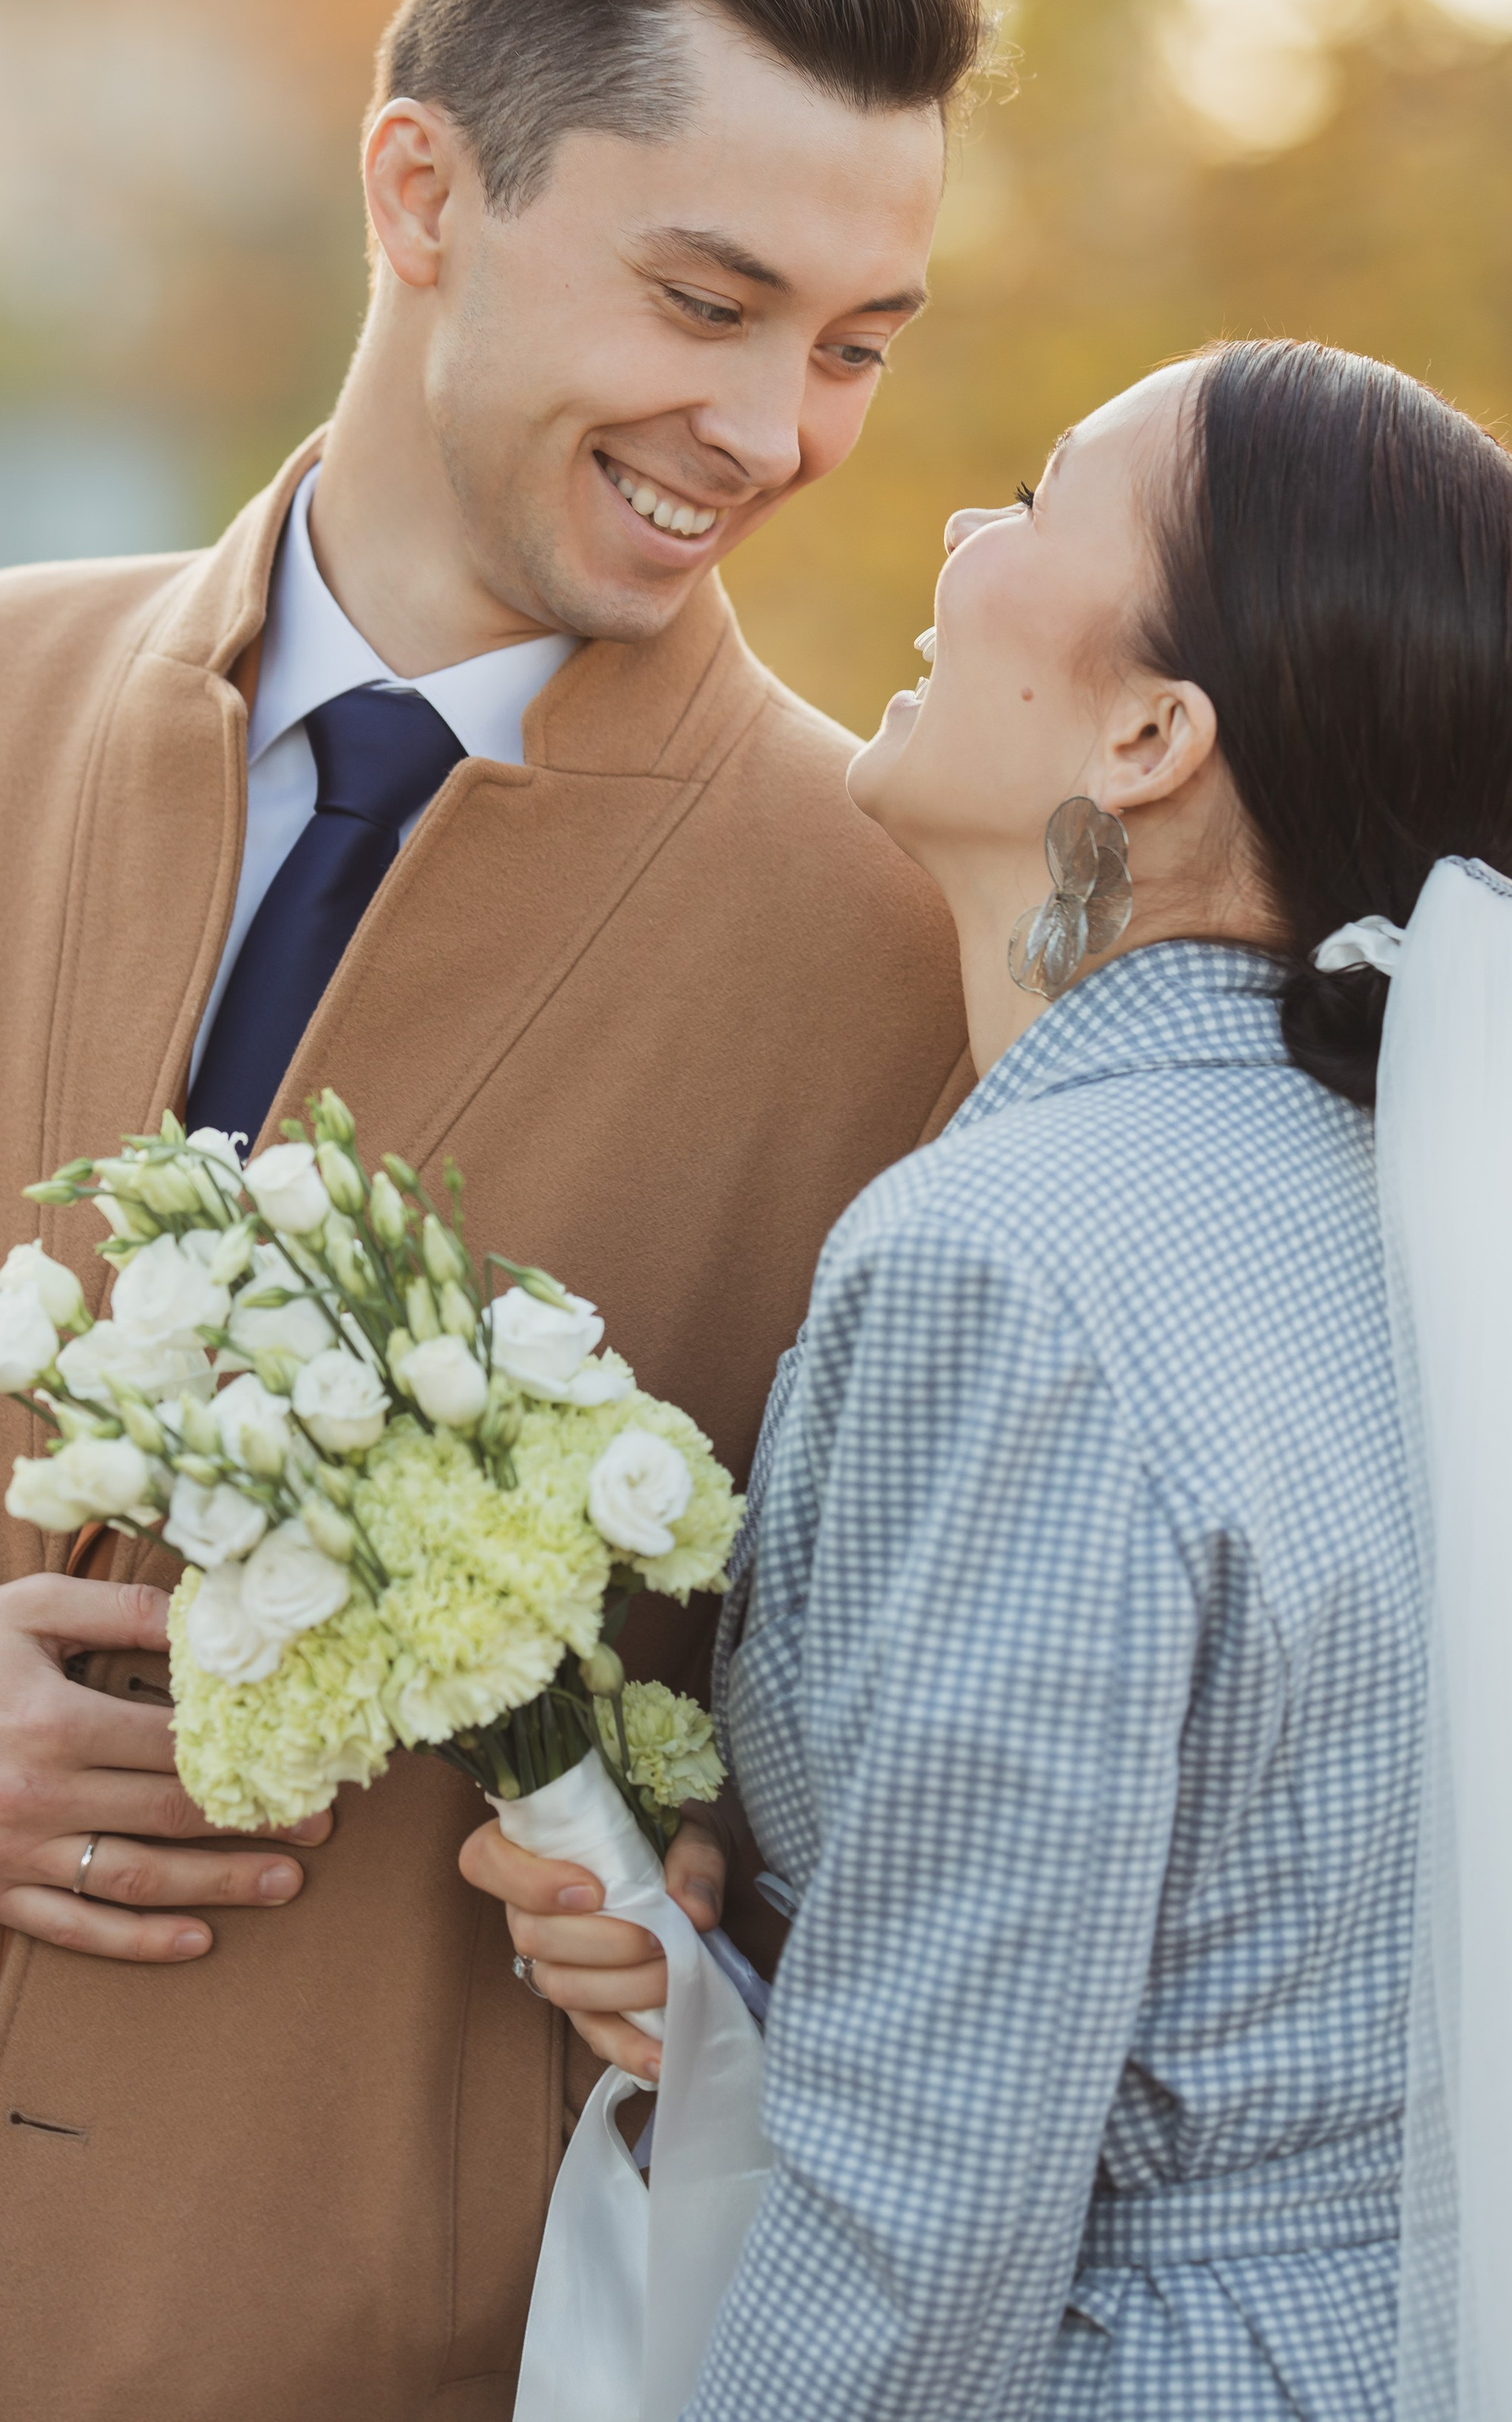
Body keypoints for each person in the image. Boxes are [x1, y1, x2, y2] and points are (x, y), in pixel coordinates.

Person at [0, 0, 984, 2422]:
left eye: (858, 342)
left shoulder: (899, 959)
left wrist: (707, 1920)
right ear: (424, 191)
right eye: (708, 298)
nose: (774, 428)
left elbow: (885, 1800)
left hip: (333, 2354)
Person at [465, 335, 1512, 2416]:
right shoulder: (1381, 1208)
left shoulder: (1015, 1264)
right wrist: (741, 1975)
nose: (956, 530)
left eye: (1035, 499)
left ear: (1145, 734)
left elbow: (923, 2194)